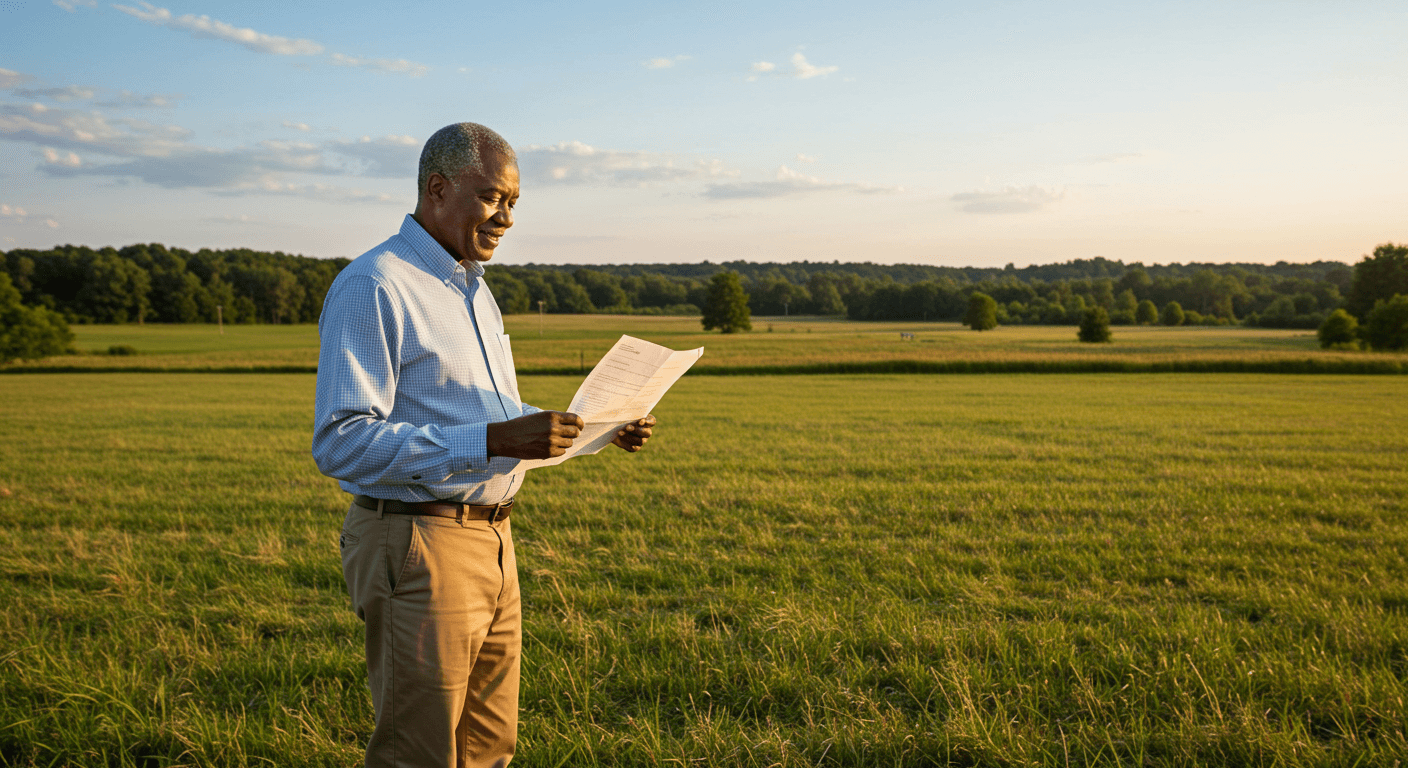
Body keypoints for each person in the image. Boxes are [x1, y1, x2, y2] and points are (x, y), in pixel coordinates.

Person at [312, 122, 655, 768]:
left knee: (488, 748)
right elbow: (341, 440)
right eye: (494, 197)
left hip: (493, 542)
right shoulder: (376, 285)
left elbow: (480, 412)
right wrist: (495, 439)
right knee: (420, 754)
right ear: (437, 189)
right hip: (419, 543)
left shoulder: (474, 288)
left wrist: (600, 424)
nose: (506, 218)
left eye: (514, 204)